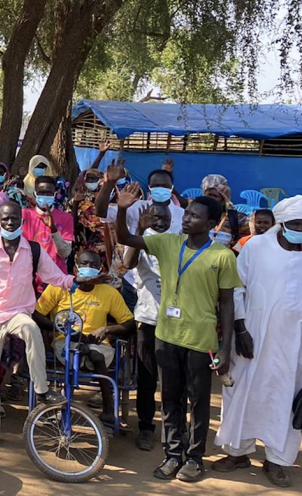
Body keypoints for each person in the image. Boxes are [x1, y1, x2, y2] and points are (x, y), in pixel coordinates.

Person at [114, 187, 240, 482]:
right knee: (170, 398)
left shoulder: (222, 257)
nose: (186, 218)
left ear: (210, 224)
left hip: (200, 340)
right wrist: (122, 210)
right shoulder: (168, 242)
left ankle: (194, 458)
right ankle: (172, 455)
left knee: (197, 401)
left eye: (195, 216)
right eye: (187, 213)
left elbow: (227, 304)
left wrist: (225, 349)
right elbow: (125, 240)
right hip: (166, 336)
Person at [0, 199, 76, 448]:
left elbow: (56, 276)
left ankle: (41, 389)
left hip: (18, 312)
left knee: (30, 328)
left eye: (14, 218)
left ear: (21, 220)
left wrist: (77, 280)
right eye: (5, 218)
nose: (9, 222)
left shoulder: (34, 250)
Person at [212, 196, 302, 488]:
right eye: (296, 225)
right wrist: (239, 329)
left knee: (285, 397)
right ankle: (237, 452)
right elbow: (236, 288)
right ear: (282, 224)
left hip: (294, 346)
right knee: (241, 392)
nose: (300, 230)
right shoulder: (257, 247)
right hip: (252, 337)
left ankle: (276, 460)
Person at [34, 250, 135, 425]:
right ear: (76, 268)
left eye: (94, 265)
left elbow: (129, 323)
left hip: (98, 343)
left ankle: (108, 410)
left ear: (101, 269)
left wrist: (106, 330)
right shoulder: (60, 287)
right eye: (85, 264)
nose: (89, 268)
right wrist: (61, 329)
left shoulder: (109, 293)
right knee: (78, 354)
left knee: (96, 355)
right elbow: (36, 314)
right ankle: (62, 409)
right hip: (64, 341)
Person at [123, 202, 171, 451]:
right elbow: (129, 264)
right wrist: (138, 232)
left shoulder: (180, 240)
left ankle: (173, 431)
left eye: (165, 217)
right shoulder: (141, 240)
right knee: (147, 378)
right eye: (155, 217)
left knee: (173, 379)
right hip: (148, 319)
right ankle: (145, 427)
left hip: (175, 322)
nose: (160, 221)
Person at [23, 174, 75, 273]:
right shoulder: (24, 215)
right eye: (42, 193)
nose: (45, 196)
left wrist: (54, 230)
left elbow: (65, 253)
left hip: (56, 276)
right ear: (35, 194)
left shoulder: (66, 218)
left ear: (55, 194)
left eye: (49, 193)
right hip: (30, 274)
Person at [200, 174, 247, 248]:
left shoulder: (237, 218)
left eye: (215, 196)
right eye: (209, 195)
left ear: (224, 199)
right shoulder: (197, 214)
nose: (211, 199)